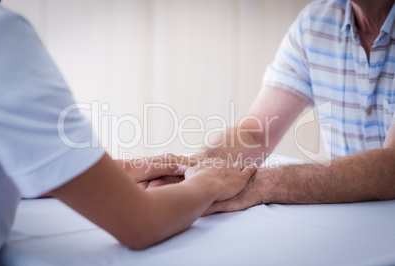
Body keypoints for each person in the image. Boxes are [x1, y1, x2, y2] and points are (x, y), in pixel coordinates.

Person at [0, 0, 258, 261]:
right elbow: (140, 223)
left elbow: (16, 159)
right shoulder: (2, 34)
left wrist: (125, 170)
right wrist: (212, 181)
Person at [142, 0, 395, 215]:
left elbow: (391, 167)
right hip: (350, 225)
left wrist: (258, 184)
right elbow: (256, 131)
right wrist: (196, 168)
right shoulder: (315, 24)